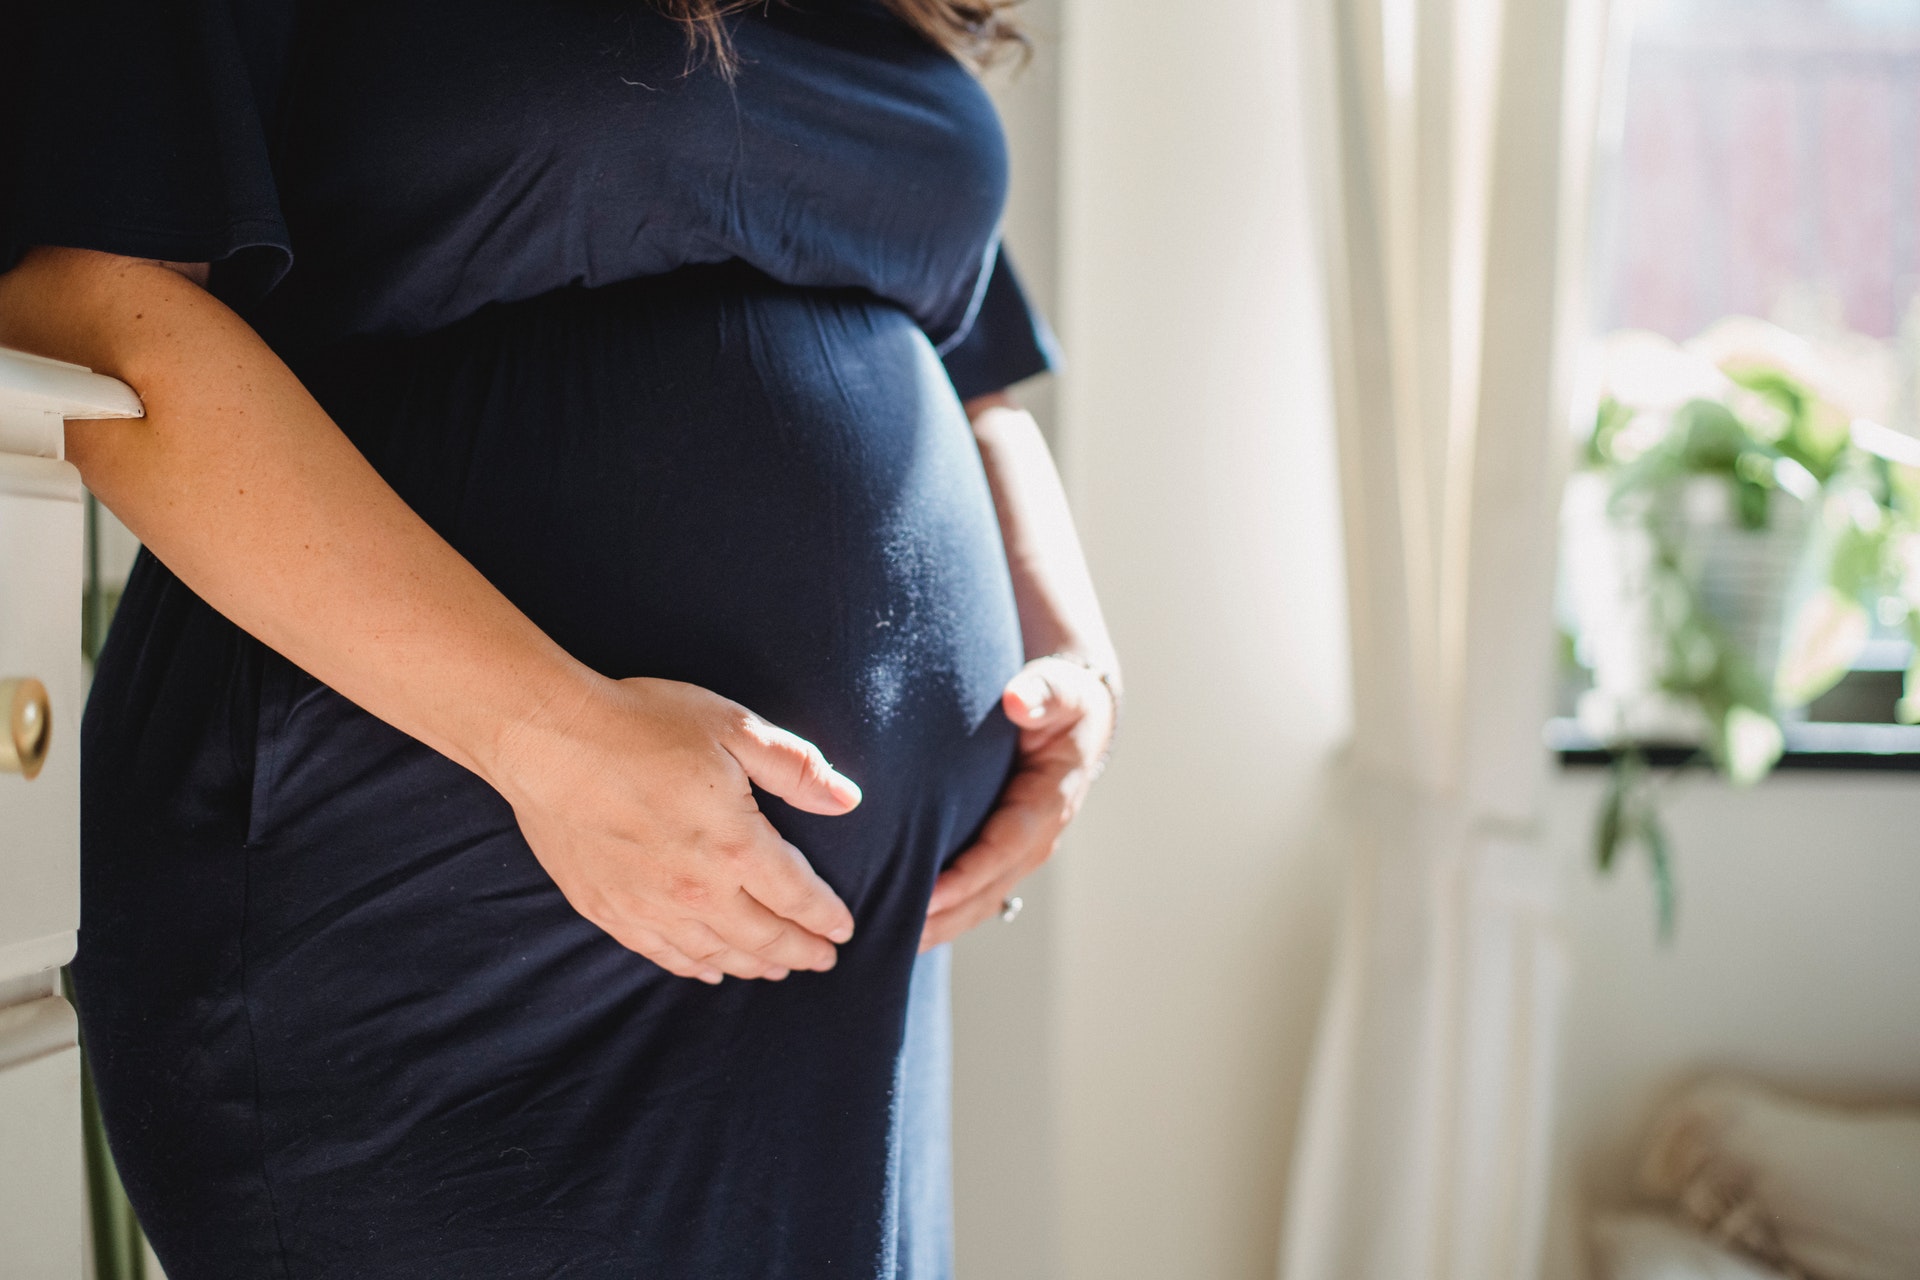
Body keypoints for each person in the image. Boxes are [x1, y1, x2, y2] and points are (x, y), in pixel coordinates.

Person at [0, 0, 1119, 1275]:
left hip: (837, 995)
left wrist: (1073, 654)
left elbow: (970, 360)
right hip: (441, 936)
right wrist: (555, 738)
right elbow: (87, 304)